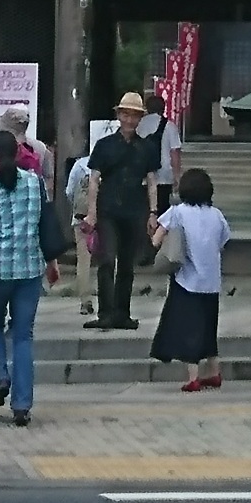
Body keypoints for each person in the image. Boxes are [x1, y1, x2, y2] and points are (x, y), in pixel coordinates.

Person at [0, 128, 57, 426]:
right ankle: (22, 405)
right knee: (23, 336)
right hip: (30, 267)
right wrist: (52, 260)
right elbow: (43, 220)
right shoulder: (36, 183)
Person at [82, 92, 160, 330]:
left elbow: (152, 180)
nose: (129, 120)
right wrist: (91, 212)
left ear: (140, 119)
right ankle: (105, 312)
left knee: (127, 263)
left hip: (134, 208)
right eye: (125, 114)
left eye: (134, 115)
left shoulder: (146, 147)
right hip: (108, 208)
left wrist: (153, 212)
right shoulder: (104, 146)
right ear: (118, 115)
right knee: (106, 260)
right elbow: (94, 179)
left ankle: (122, 312)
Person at [150, 166, 231, 392]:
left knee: (188, 329)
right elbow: (224, 241)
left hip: (187, 280)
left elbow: (157, 239)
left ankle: (193, 377)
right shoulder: (217, 215)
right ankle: (214, 372)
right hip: (212, 282)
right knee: (208, 328)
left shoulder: (177, 212)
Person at [137, 91, 182, 217]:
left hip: (142, 176)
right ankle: (159, 235)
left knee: (144, 212)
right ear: (163, 108)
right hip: (163, 176)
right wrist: (177, 177)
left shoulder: (138, 125)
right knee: (162, 212)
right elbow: (175, 153)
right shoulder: (169, 126)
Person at [65, 152, 95, 315]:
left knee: (83, 260)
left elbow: (69, 192)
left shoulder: (79, 165)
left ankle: (85, 301)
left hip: (81, 219)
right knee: (111, 259)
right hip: (104, 219)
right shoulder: (109, 162)